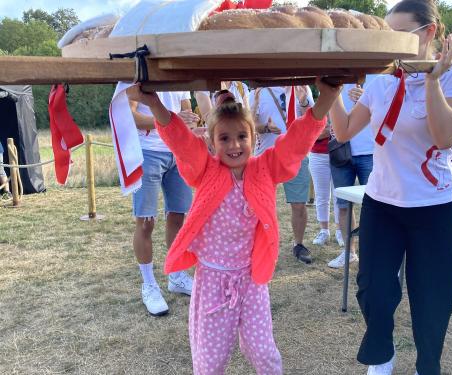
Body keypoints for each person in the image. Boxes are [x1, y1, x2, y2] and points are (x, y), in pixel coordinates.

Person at [126, 77, 336, 375]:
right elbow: (182, 142)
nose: (234, 144)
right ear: (211, 143)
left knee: (264, 354)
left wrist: (326, 99)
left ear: (254, 138)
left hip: (252, 280)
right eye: (224, 138)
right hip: (213, 281)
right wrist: (155, 103)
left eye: (242, 136)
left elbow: (297, 142)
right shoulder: (205, 169)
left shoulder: (264, 168)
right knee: (210, 363)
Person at [328, 1, 452, 374]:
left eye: (399, 35)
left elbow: (445, 137)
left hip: (434, 207)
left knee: (432, 300)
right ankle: (382, 352)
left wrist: (432, 79)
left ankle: (428, 365)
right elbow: (344, 131)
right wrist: (327, 87)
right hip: (382, 203)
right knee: (373, 290)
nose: (390, 44)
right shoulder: (382, 81)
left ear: (427, 34)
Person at [128, 88, 199, 316]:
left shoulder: (178, 75)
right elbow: (131, 116)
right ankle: (149, 284)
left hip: (178, 152)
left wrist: (190, 122)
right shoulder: (136, 73)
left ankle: (176, 275)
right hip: (148, 151)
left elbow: (186, 110)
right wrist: (171, 121)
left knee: (178, 216)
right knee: (146, 221)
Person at [251, 85, 316, 264]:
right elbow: (249, 125)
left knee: (298, 203)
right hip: (265, 155)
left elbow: (310, 122)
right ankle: (260, 246)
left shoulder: (302, 88)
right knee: (261, 205)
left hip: (295, 154)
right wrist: (265, 127)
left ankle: (299, 244)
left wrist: (303, 102)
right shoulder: (258, 90)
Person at [327, 81, 374, 268]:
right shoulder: (338, 78)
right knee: (343, 206)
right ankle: (349, 252)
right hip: (341, 151)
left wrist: (368, 100)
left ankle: (375, 254)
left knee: (375, 207)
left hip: (370, 152)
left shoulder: (379, 76)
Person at [308, 115, 343, 247]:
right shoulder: (315, 105)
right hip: (317, 154)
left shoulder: (343, 103)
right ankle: (324, 231)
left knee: (338, 195)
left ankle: (340, 231)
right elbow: (307, 134)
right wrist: (325, 131)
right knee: (321, 195)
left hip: (339, 153)